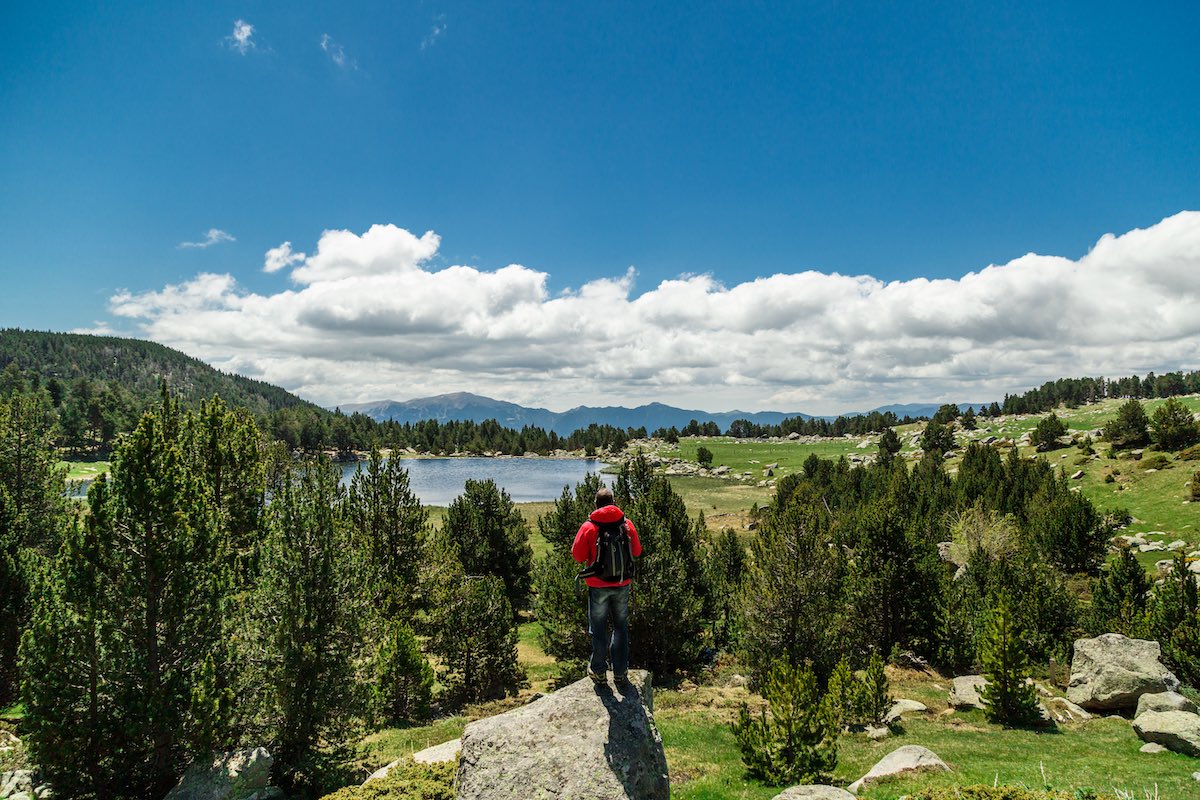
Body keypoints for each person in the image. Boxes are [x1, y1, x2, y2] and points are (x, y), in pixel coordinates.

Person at [572, 486, 642, 685]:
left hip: (598, 585)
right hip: (622, 583)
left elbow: (577, 556)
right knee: (620, 627)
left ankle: (599, 671)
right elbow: (636, 551)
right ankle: (620, 672)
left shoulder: (589, 526)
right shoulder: (626, 524)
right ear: (614, 502)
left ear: (596, 504)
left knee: (598, 628)